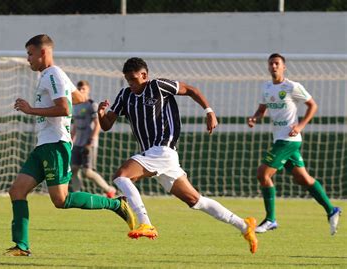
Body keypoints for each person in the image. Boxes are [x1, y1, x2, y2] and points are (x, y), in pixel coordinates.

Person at [98, 57, 258, 254]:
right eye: (128, 80)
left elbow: (191, 90)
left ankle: (145, 223)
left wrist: (209, 112)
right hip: (156, 155)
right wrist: (100, 113)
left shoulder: (158, 86)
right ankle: (244, 225)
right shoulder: (125, 95)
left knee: (121, 175)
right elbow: (106, 125)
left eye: (134, 79)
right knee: (196, 201)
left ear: (144, 75)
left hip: (163, 150)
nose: (131, 84)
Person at [5, 34, 136, 256]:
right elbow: (78, 99)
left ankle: (117, 204)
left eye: (30, 53)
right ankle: (21, 246)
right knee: (17, 190)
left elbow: (66, 108)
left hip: (56, 144)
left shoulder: (53, 74)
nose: (27, 59)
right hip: (44, 145)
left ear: (43, 52)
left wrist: (31, 109)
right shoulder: (55, 75)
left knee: (61, 200)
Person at [247, 53, 341, 235]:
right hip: (279, 138)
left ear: (284, 67)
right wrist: (255, 118)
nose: (273, 67)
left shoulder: (292, 86)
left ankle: (271, 219)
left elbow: (312, 105)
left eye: (277, 64)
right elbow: (261, 109)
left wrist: (300, 126)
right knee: (302, 178)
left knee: (262, 174)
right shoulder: (266, 87)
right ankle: (331, 209)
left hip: (288, 140)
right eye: (271, 64)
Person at [70, 80, 117, 198]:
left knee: (87, 172)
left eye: (83, 89)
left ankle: (109, 189)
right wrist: (71, 139)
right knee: (74, 169)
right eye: (79, 89)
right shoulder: (75, 105)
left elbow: (97, 124)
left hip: (88, 143)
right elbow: (75, 125)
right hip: (77, 143)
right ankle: (77, 194)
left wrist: (90, 141)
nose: (81, 91)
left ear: (88, 90)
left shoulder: (92, 105)